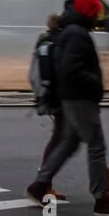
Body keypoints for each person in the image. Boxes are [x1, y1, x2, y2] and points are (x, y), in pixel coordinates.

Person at [27, 0, 109, 216]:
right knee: (96, 146)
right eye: (96, 13)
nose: (98, 17)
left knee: (68, 144)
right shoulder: (77, 34)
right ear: (88, 13)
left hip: (71, 98)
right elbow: (70, 68)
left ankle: (39, 185)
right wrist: (94, 83)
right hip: (80, 98)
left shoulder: (70, 31)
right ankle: (102, 199)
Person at [34, 11, 69, 203]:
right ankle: (44, 184)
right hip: (61, 97)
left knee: (58, 137)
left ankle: (45, 184)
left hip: (50, 95)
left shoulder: (43, 40)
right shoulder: (58, 41)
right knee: (59, 138)